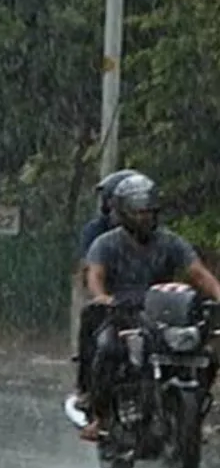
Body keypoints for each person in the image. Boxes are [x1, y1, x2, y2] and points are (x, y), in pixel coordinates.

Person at [80, 174, 220, 440]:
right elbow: (94, 277)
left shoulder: (171, 242)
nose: (144, 217)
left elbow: (199, 273)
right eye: (138, 212)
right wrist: (102, 298)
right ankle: (101, 417)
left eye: (149, 211)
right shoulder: (105, 243)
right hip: (121, 312)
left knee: (206, 353)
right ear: (123, 212)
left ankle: (191, 418)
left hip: (163, 313)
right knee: (108, 350)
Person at [72, 169, 144, 402]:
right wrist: (100, 294)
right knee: (93, 325)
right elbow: (88, 269)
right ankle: (86, 389)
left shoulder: (152, 235)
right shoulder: (96, 232)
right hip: (111, 297)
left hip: (145, 300)